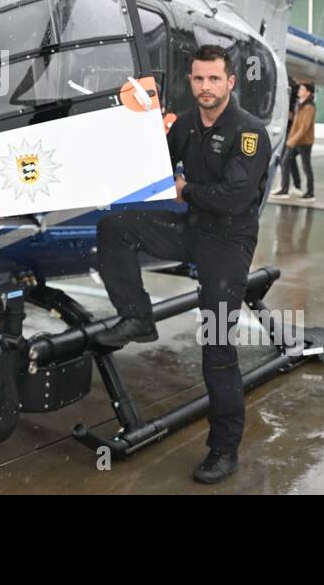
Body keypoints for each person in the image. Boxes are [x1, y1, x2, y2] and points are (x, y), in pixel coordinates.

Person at [93, 44, 272, 484]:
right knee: (114, 226)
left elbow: (234, 197)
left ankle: (224, 450)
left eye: (214, 79)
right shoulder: (188, 124)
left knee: (217, 347)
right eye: (198, 79)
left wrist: (186, 189)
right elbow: (154, 162)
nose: (205, 87)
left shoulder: (249, 133)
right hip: (192, 228)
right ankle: (138, 317)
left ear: (230, 82)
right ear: (190, 81)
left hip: (228, 242)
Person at [272, 82, 315, 199]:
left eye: (302, 89)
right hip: (296, 140)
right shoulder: (299, 104)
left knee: (305, 166)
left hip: (304, 142)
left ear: (308, 92)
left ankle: (310, 193)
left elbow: (303, 128)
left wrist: (291, 141)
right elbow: (296, 123)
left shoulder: (309, 107)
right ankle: (290, 188)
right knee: (287, 161)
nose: (299, 91)